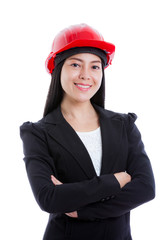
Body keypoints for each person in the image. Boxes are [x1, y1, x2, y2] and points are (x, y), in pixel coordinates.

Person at [20, 23, 155, 240]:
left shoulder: (124, 125)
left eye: (94, 66)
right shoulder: (37, 133)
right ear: (57, 68)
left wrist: (81, 209)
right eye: (75, 64)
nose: (85, 75)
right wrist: (116, 181)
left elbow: (146, 188)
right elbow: (48, 198)